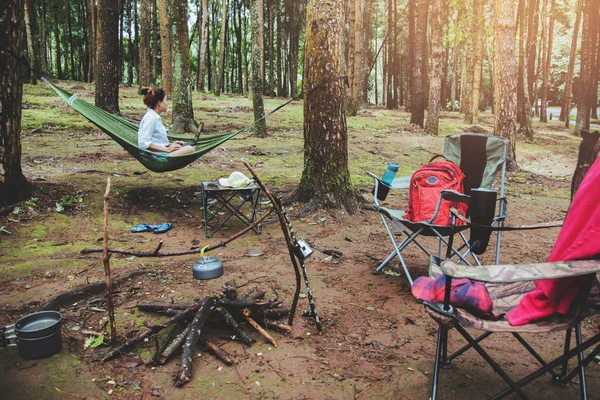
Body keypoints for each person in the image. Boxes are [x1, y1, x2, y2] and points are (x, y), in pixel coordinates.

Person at [138, 87, 195, 156]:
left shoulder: (155, 117)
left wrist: (171, 144)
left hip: (160, 153)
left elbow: (156, 141)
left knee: (191, 146)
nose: (167, 103)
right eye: (165, 100)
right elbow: (143, 143)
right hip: (156, 157)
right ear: (159, 103)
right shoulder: (150, 118)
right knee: (190, 149)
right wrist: (166, 150)